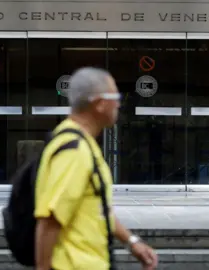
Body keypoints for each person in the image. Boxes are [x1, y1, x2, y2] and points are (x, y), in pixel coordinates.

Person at [34, 67, 158, 270]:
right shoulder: (73, 150)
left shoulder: (84, 144)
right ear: (100, 104)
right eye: (115, 96)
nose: (119, 103)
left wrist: (131, 242)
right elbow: (50, 220)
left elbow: (97, 208)